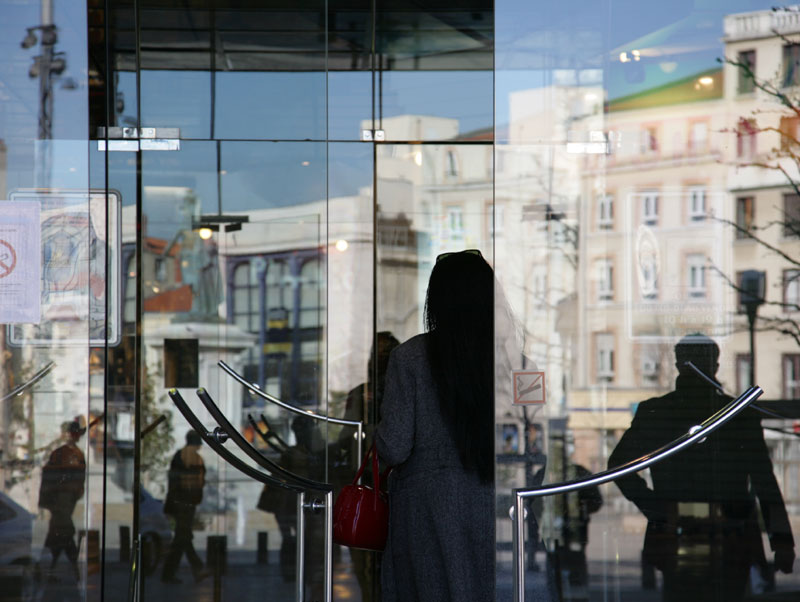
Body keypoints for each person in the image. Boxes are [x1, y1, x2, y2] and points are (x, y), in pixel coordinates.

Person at [608, 334, 795, 601]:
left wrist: (657, 508)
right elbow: (764, 480)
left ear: (677, 365)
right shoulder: (738, 413)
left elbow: (618, 464)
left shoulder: (657, 411)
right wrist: (781, 541)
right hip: (731, 535)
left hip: (682, 532)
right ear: (715, 366)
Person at [376, 250, 494, 602]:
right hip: (496, 505)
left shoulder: (410, 358)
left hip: (427, 512)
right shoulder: (515, 362)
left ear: (437, 299)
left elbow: (395, 445)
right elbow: (534, 452)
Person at [39, 420, 86, 580]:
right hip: (60, 498)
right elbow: (50, 476)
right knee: (63, 532)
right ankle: (68, 569)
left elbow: (80, 478)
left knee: (59, 534)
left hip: (67, 499)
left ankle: (49, 569)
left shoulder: (76, 454)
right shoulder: (60, 453)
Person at [161, 430, 209, 584]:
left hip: (178, 504)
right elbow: (200, 483)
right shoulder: (197, 458)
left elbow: (172, 481)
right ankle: (196, 568)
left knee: (183, 538)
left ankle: (193, 569)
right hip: (186, 504)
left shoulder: (179, 456)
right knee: (183, 537)